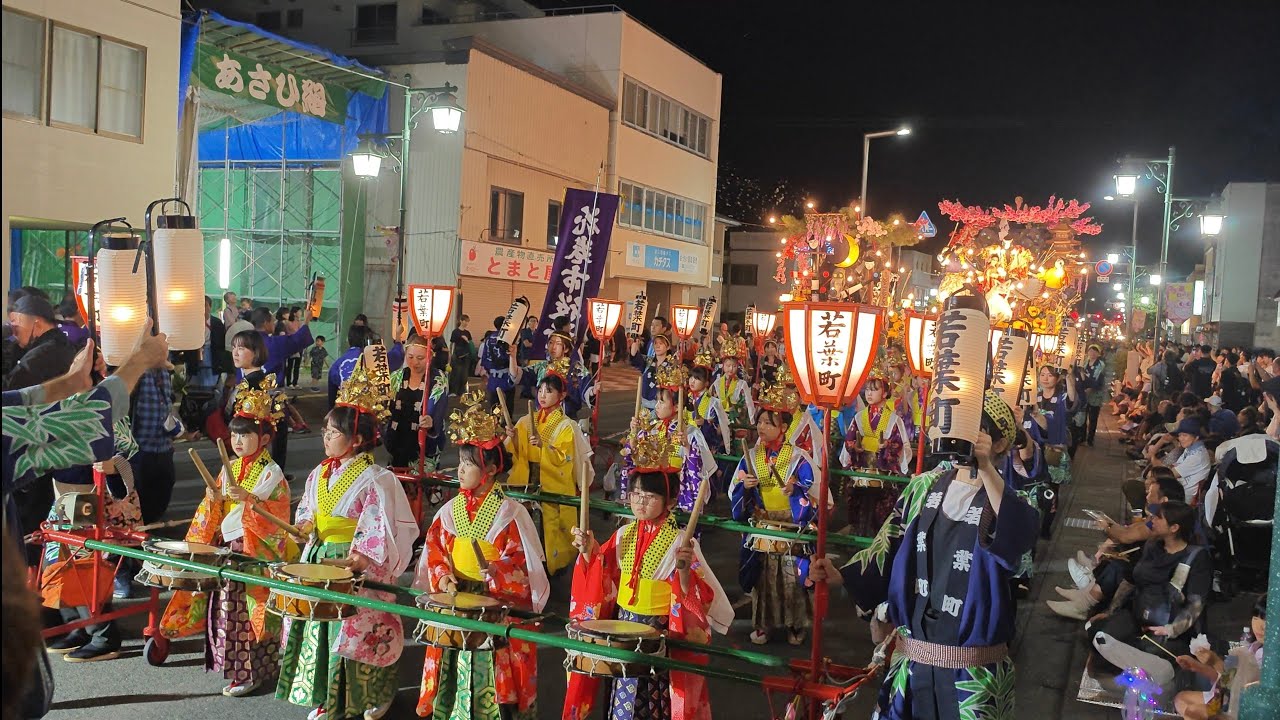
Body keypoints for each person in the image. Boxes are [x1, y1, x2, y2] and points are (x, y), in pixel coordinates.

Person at [810, 390, 1040, 720]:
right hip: (912, 661)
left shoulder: (1012, 501)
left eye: (975, 428)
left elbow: (1018, 540)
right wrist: (842, 575)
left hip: (973, 675)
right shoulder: (923, 487)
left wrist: (987, 469)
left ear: (1000, 442)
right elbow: (890, 543)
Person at [276, 362, 418, 720]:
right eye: (325, 431)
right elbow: (309, 508)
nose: (325, 438)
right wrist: (305, 525)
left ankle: (376, 693)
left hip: (354, 562)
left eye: (334, 433)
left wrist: (363, 557)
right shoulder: (319, 473)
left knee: (358, 631)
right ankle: (327, 696)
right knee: (320, 628)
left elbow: (379, 525)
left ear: (357, 439)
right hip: (319, 555)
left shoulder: (377, 478)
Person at [412, 394, 548, 718]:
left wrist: (497, 570)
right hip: (456, 594)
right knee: (452, 659)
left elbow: (521, 562)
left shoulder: (510, 513)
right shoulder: (450, 510)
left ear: (490, 470)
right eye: (460, 462)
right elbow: (436, 548)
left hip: (493, 598)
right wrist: (443, 576)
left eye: (469, 464)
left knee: (491, 664)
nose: (460, 469)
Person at [566, 465, 733, 719]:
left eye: (650, 496)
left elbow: (697, 595)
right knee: (619, 689)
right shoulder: (623, 534)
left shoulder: (680, 542)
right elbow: (603, 570)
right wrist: (589, 550)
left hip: (657, 630)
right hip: (621, 627)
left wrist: (684, 572)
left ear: (671, 501)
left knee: (652, 694)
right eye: (635, 494)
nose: (640, 502)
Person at [159, 385, 294, 696]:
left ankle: (252, 673)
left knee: (247, 615)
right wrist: (213, 498)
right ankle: (235, 670)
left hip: (251, 552)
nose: (237, 440)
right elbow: (216, 509)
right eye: (234, 434)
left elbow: (277, 514)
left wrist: (249, 500)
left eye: (245, 435)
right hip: (227, 548)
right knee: (225, 612)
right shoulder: (230, 467)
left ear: (264, 439)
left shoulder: (272, 473)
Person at [729, 373, 820, 647]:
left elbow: (814, 489)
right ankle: (763, 624)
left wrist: (797, 489)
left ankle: (795, 625)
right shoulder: (751, 455)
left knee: (792, 579)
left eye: (769, 423)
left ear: (783, 427)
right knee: (764, 581)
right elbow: (735, 488)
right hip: (763, 524)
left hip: (790, 525)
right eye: (759, 422)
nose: (762, 427)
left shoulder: (798, 457)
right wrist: (744, 486)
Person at [1085, 501, 1212, 689]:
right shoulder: (1152, 545)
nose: (1152, 521)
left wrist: (1171, 629)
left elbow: (1196, 603)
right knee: (1097, 631)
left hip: (1167, 624)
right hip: (1138, 613)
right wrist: (1111, 611)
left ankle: (1155, 674)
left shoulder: (1195, 557)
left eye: (1159, 518)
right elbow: (1132, 580)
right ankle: (1131, 671)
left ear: (1174, 528)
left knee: (1146, 650)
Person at [505, 373, 592, 576]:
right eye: (541, 390)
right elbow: (515, 452)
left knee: (548, 529)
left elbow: (565, 458)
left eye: (549, 391)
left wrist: (544, 447)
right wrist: (514, 438)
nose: (542, 395)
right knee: (523, 526)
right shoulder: (526, 421)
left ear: (562, 395)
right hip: (527, 480)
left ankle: (548, 569)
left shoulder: (567, 425)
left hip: (550, 480)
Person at [616, 366, 716, 513]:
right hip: (650, 494)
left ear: (676, 406)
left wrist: (687, 447)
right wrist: (633, 433)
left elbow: (702, 470)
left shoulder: (690, 433)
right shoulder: (651, 429)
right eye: (657, 401)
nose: (656, 406)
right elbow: (632, 455)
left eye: (661, 402)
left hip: (676, 495)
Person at [839, 370, 910, 537]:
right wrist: (854, 447)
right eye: (867, 390)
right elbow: (849, 440)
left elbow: (900, 444)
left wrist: (888, 446)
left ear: (885, 393)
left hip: (883, 472)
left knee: (880, 516)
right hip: (862, 470)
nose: (869, 394)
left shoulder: (894, 420)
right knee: (859, 512)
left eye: (874, 389)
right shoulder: (859, 417)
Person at [1173, 593, 1266, 720]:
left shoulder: (1269, 658)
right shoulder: (1252, 648)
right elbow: (1226, 680)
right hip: (1226, 699)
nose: (1260, 626)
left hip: (1244, 708)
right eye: (1255, 619)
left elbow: (1243, 687)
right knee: (1181, 700)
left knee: (1194, 711)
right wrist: (1197, 666)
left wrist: (1215, 661)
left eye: (1267, 621)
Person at [384, 334, 449, 471]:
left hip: (423, 447)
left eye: (420, 358)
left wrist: (431, 420)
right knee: (397, 478)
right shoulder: (396, 377)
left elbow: (438, 406)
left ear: (430, 356)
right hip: (397, 440)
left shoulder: (438, 379)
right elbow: (386, 406)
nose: (414, 362)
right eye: (410, 357)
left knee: (421, 480)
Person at [328, 325, 405, 408]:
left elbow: (332, 399)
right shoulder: (376, 358)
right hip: (371, 410)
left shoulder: (337, 364)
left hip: (345, 410)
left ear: (348, 340)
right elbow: (397, 356)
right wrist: (398, 336)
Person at [1027, 365, 1078, 487]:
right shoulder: (1034, 396)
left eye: (1050, 375)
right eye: (1042, 375)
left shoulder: (1061, 396)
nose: (1045, 378)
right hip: (1035, 446)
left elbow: (1072, 399)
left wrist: (1068, 376)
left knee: (1052, 485)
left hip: (1053, 448)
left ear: (1058, 378)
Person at [1148, 418, 1212, 504]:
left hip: (1183, 498)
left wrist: (1152, 455)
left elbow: (1168, 474)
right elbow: (1173, 466)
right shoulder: (1190, 449)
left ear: (1196, 437)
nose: (1181, 438)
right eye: (1179, 435)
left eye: (1185, 435)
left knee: (1150, 491)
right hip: (1178, 490)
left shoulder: (1197, 456)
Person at [249, 306, 313, 387]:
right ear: (266, 323)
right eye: (272, 321)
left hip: (247, 390)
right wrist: (306, 321)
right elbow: (298, 340)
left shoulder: (244, 342)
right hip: (270, 389)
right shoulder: (274, 343)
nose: (274, 324)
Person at [711, 336, 755, 430]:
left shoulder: (742, 384)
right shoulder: (717, 383)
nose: (731, 369)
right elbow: (711, 400)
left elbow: (749, 402)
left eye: (734, 366)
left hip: (736, 419)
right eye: (728, 365)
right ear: (723, 365)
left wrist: (752, 420)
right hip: (719, 419)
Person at [478, 316, 516, 415]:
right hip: (507, 374)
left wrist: (487, 370)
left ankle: (495, 419)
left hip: (494, 375)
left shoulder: (488, 338)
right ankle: (508, 419)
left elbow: (485, 356)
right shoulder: (508, 338)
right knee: (509, 399)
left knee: (494, 400)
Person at [1080, 344, 1108, 445]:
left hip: (1095, 395)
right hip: (1084, 393)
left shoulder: (1100, 365)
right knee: (1082, 416)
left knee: (1093, 417)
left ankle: (1090, 439)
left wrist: (1091, 388)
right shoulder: (1084, 362)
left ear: (1098, 353)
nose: (1092, 353)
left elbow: (1099, 380)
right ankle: (1082, 437)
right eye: (1090, 351)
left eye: (1094, 351)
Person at [448, 314, 473, 396]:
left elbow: (470, 343)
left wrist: (467, 340)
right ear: (461, 321)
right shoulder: (455, 332)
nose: (466, 323)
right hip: (457, 355)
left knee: (464, 375)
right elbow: (452, 344)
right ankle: (453, 391)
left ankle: (462, 391)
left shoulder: (467, 333)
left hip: (466, 355)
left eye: (468, 321)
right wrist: (450, 354)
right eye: (465, 321)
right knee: (456, 373)